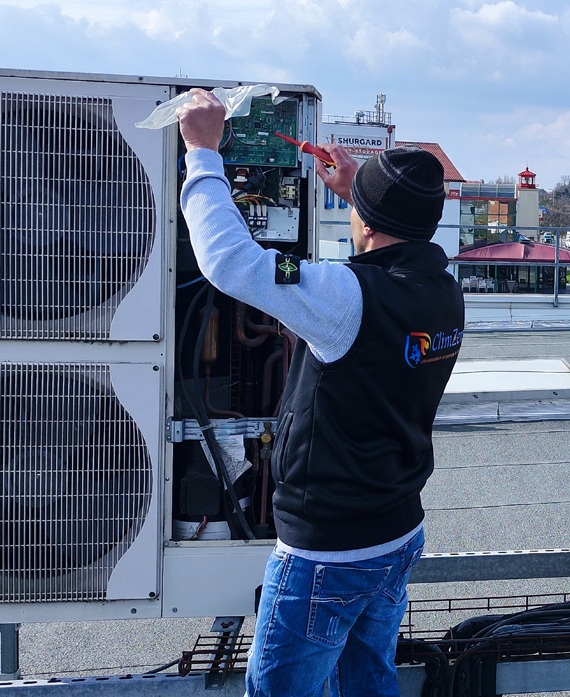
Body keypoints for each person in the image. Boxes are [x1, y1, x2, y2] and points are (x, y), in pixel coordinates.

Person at [177, 89, 465, 697]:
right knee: (367, 681)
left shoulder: (345, 295)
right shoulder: (442, 289)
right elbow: (385, 248)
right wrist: (363, 193)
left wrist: (202, 152)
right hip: (396, 532)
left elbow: (231, 262)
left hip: (327, 554)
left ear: (367, 221)